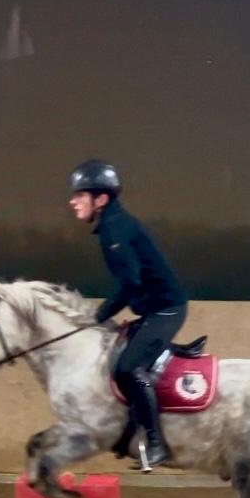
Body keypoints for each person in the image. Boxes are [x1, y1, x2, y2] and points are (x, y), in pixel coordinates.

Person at [69, 160, 187, 469]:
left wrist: (98, 316)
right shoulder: (112, 226)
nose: (73, 201)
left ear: (101, 199)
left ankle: (156, 444)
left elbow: (130, 282)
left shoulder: (115, 230)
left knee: (127, 369)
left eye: (80, 195)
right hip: (152, 310)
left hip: (167, 310)